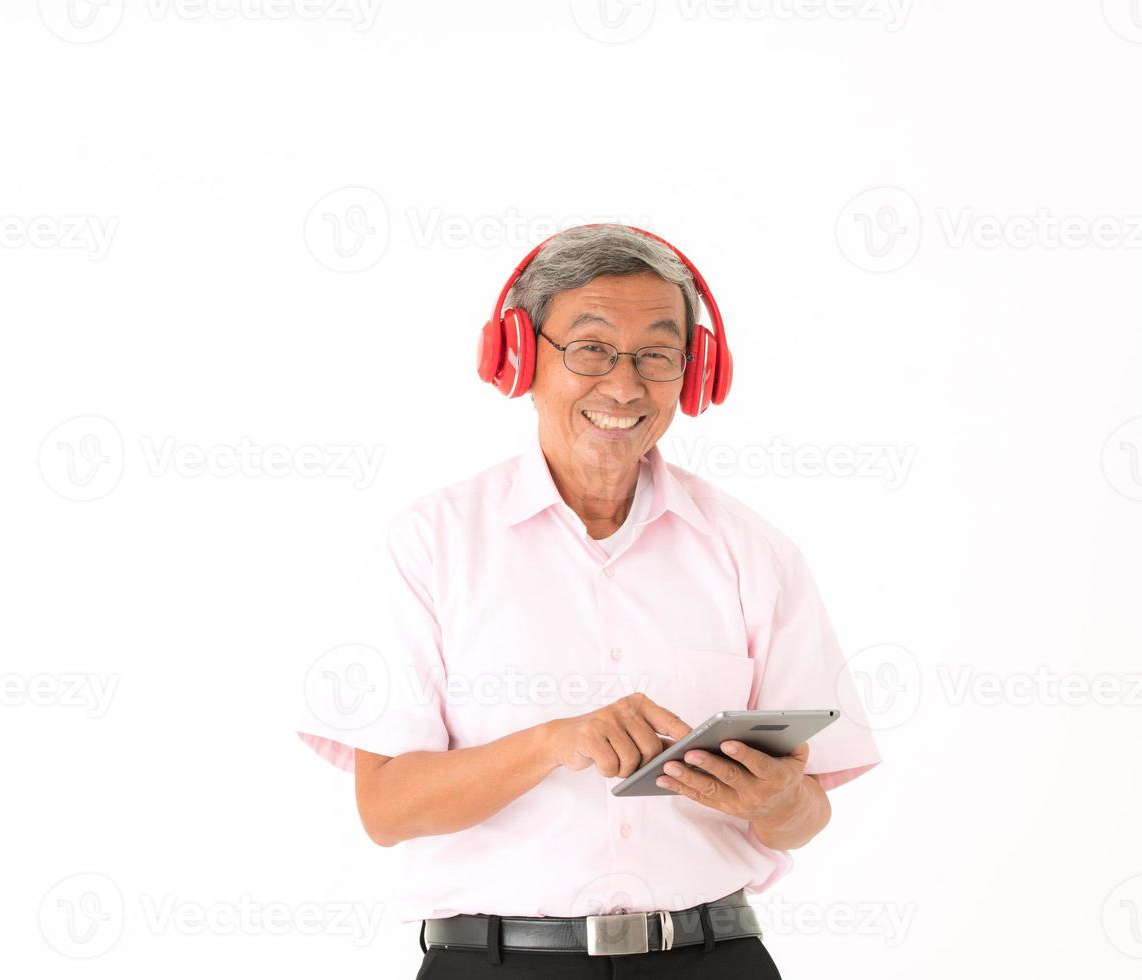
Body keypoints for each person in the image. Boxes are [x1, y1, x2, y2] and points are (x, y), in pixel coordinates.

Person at [295, 224, 881, 978]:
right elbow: (385, 809)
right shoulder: (431, 544)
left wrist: (775, 802)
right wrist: (552, 743)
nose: (626, 386)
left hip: (713, 957)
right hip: (499, 965)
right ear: (517, 357)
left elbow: (808, 815)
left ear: (694, 374)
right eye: (592, 349)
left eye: (656, 355)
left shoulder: (756, 554)